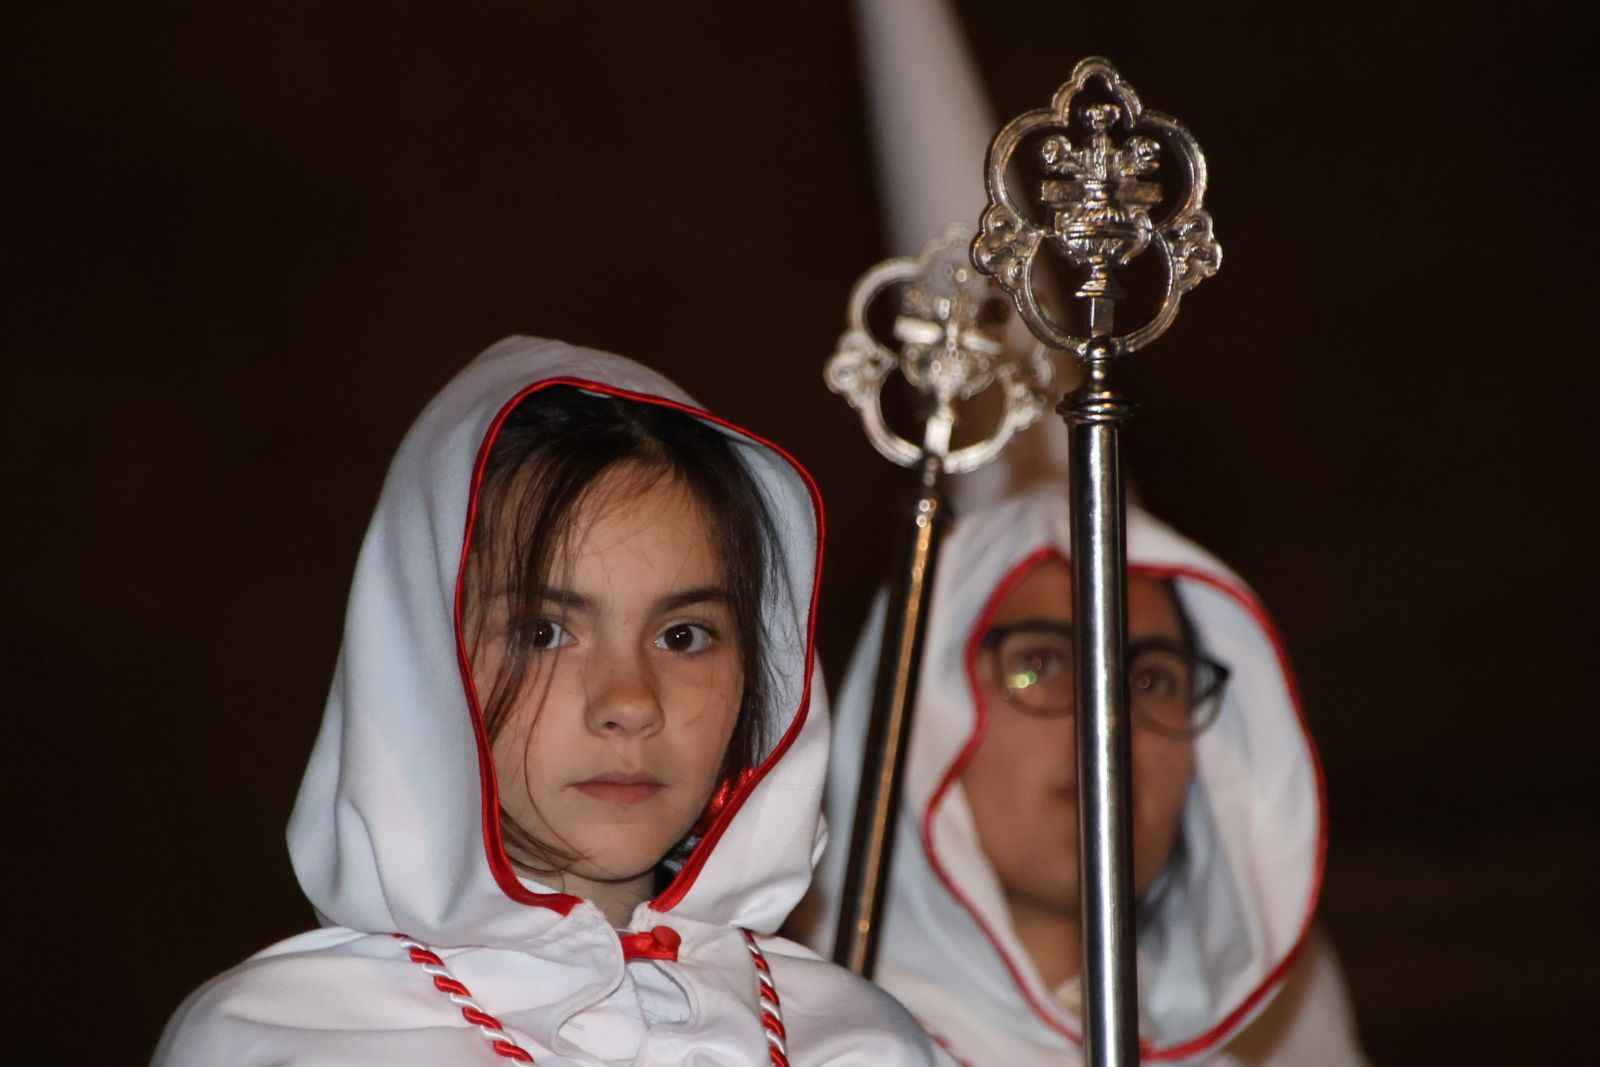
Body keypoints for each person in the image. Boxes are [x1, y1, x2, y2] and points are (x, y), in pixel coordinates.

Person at [155, 336, 945, 1066]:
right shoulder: (280, 1040)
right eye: (543, 632)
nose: (630, 703)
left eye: (684, 636)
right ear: (421, 661)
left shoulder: (854, 1041)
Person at [804, 487, 1369, 1065]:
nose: (1110, 722)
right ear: (920, 705)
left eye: (1152, 679)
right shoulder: (794, 1041)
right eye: (1041, 664)